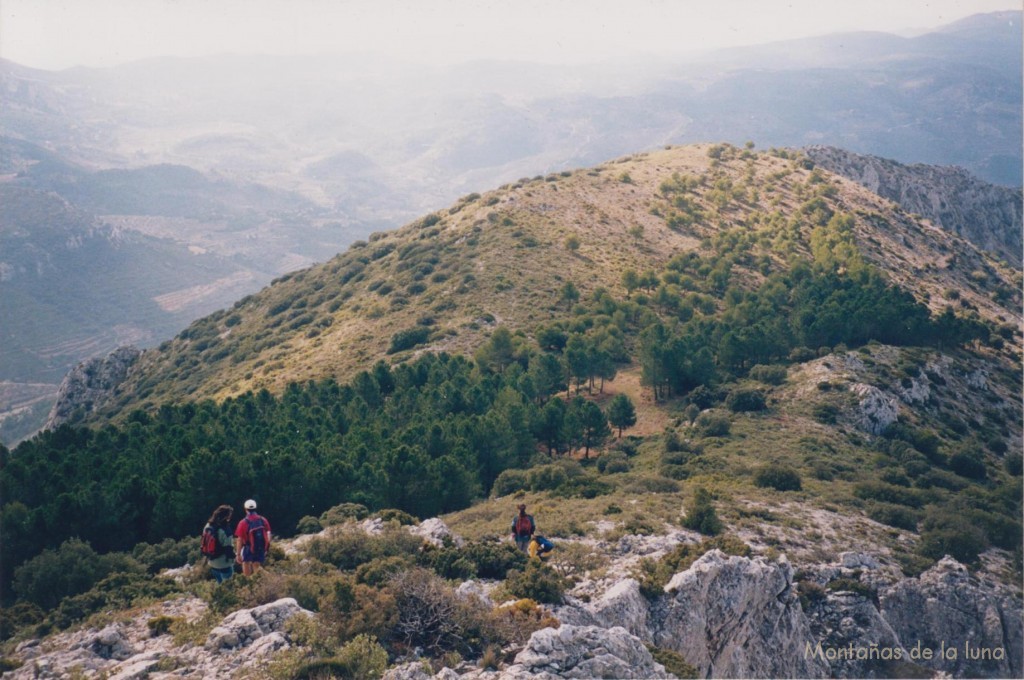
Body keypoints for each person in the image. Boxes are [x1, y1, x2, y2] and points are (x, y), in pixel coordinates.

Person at [235, 499, 272, 576]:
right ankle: (258, 581)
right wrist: (266, 547)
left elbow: (239, 539)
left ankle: (248, 582)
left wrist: (238, 554)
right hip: (260, 547)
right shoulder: (263, 520)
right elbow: (268, 534)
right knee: (256, 564)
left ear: (245, 509)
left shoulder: (243, 522)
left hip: (248, 547)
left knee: (246, 563)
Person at [204, 504, 235, 583]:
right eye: (229, 515)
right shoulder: (226, 530)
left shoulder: (208, 525)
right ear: (226, 516)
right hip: (224, 564)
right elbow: (228, 550)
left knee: (220, 585)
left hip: (212, 562)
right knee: (228, 586)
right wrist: (235, 557)